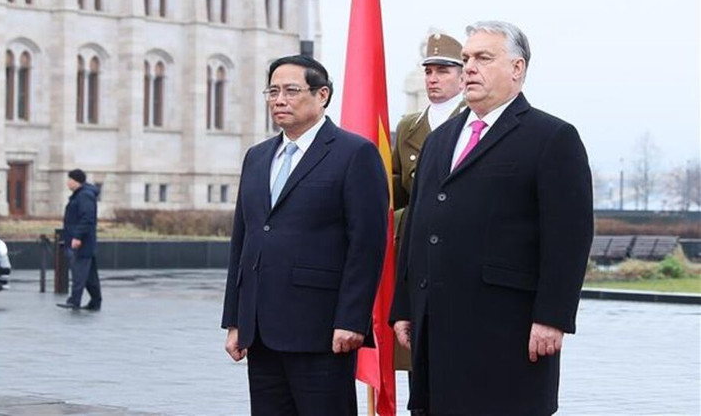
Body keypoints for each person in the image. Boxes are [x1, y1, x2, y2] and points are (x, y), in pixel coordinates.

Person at [390, 21, 594, 415]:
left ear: (517, 68)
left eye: (483, 58)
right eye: (466, 58)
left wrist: (552, 318)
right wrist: (404, 304)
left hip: (506, 333)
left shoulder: (551, 138)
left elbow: (569, 238)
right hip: (435, 328)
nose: (469, 67)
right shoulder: (440, 141)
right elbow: (417, 226)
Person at [221, 54, 389, 415]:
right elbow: (244, 241)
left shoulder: (354, 153)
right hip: (261, 331)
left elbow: (367, 246)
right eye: (273, 91)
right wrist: (235, 320)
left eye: (291, 91)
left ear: (322, 95)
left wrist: (351, 320)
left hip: (321, 330)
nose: (279, 100)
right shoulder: (258, 156)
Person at [391, 32, 465, 415]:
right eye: (429, 71)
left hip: (458, 259)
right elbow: (395, 195)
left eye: (443, 70)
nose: (433, 79)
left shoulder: (472, 122)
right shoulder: (409, 127)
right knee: (417, 374)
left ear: (462, 74)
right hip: (415, 258)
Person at [57, 169, 102, 311]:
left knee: (79, 273)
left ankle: (74, 301)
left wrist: (77, 237)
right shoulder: (81, 195)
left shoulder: (84, 196)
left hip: (82, 242)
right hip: (83, 241)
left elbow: (87, 218)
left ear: (76, 181)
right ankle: (95, 301)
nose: (67, 183)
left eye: (70, 179)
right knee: (89, 276)